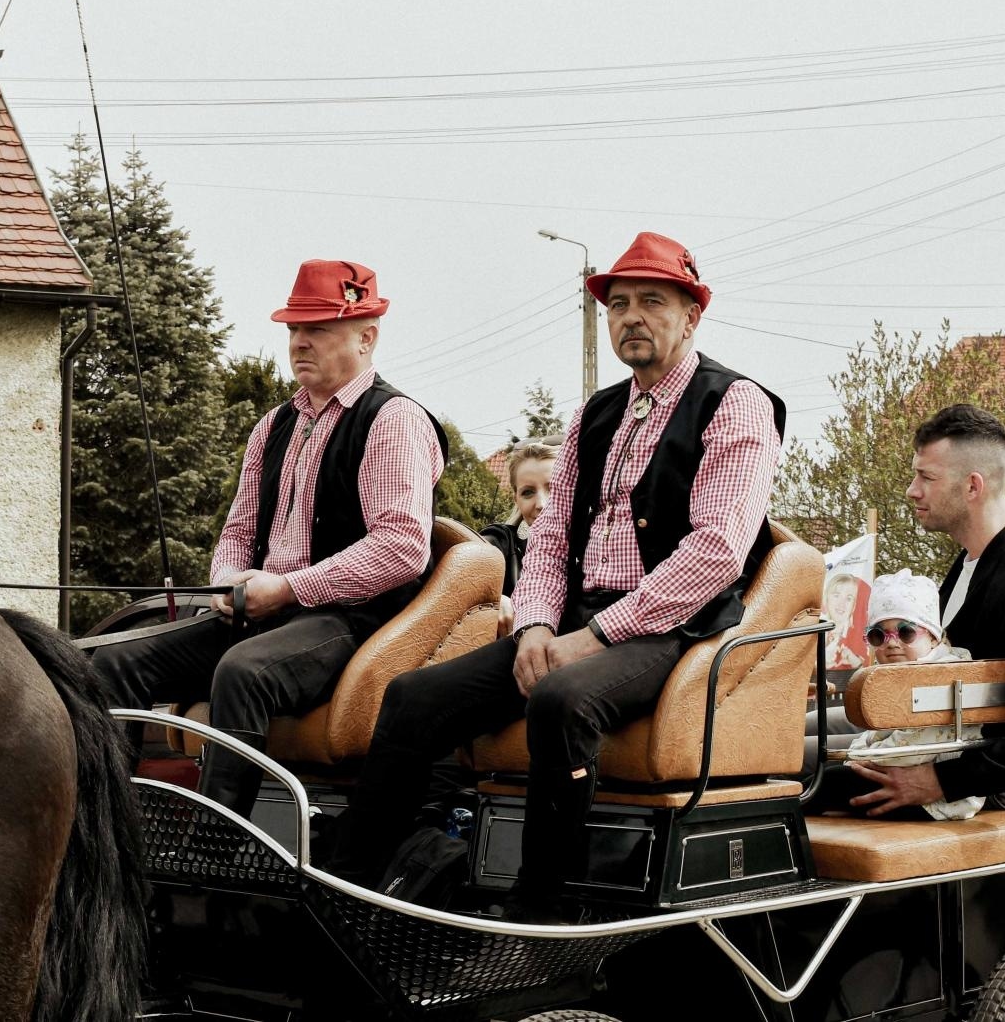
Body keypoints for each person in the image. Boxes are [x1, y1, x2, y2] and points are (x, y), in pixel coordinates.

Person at [327, 231, 783, 914]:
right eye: (618, 302)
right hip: (576, 620)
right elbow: (547, 538)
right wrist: (538, 622)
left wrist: (593, 636)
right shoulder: (596, 414)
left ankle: (541, 907)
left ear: (692, 316)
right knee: (412, 698)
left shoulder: (734, 403)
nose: (631, 315)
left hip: (674, 628)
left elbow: (714, 552)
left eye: (652, 301)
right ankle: (355, 887)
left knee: (561, 700)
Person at [91, 259, 447, 819]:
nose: (300, 342)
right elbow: (238, 532)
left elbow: (401, 547)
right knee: (113, 664)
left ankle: (219, 842)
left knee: (244, 670)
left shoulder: (393, 419)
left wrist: (288, 589)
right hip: (263, 610)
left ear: (366, 337)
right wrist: (228, 581)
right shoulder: (274, 424)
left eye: (318, 330)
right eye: (294, 330)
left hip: (351, 619)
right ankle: (108, 831)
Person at [848, 404, 1005, 817]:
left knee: (793, 773)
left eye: (926, 477)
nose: (912, 490)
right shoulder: (979, 559)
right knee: (797, 736)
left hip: (992, 782)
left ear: (972, 486)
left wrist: (935, 782)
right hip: (947, 743)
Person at [806, 570, 983, 821]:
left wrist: (856, 761)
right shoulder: (899, 676)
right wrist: (857, 757)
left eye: (905, 632)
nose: (891, 643)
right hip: (905, 773)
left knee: (823, 784)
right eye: (879, 635)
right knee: (824, 780)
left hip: (937, 797)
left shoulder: (940, 678)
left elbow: (913, 748)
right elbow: (875, 734)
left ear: (933, 637)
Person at [479, 441, 558, 638]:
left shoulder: (598, 553)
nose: (542, 503)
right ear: (516, 499)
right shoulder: (502, 541)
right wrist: (494, 599)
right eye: (528, 492)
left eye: (554, 488)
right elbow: (459, 568)